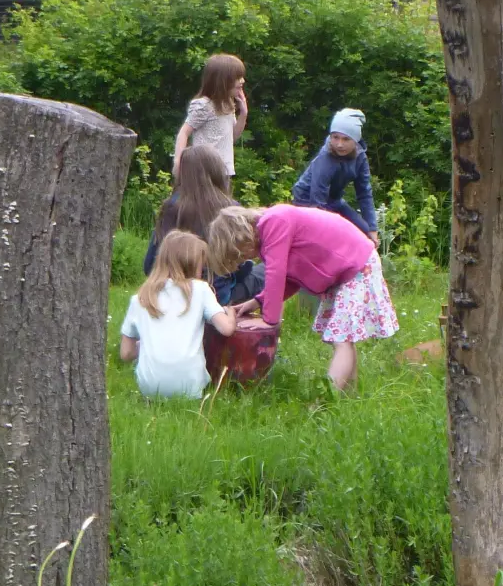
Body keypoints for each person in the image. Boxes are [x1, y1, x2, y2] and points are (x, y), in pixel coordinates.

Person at [209, 204, 398, 391]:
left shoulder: (274, 222)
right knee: (343, 338)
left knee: (341, 340)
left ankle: (326, 400)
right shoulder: (272, 228)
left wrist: (269, 320)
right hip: (347, 266)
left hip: (356, 263)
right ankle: (351, 395)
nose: (246, 258)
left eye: (241, 253)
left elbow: (276, 273)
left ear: (241, 237)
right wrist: (256, 302)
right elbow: (291, 278)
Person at [120, 230, 238, 399]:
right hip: (191, 388)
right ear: (191, 264)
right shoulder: (200, 290)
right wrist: (231, 314)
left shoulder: (139, 298)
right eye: (201, 266)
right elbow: (226, 328)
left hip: (149, 389)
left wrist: (147, 343)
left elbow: (126, 354)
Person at [143, 145, 264, 305]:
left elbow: (150, 265)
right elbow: (240, 263)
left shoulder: (171, 207)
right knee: (269, 269)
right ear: (217, 172)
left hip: (175, 297)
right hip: (221, 296)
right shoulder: (231, 209)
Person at [290, 107, 378, 244]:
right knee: (331, 239)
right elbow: (317, 200)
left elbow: (364, 193)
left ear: (355, 140)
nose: (339, 144)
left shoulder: (360, 157)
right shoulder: (326, 158)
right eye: (335, 137)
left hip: (334, 201)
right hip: (307, 202)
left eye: (346, 139)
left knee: (365, 234)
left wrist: (372, 228)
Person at [173, 53, 247, 177]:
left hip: (224, 171)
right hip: (204, 172)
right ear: (223, 81)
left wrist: (243, 113)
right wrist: (178, 162)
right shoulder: (203, 105)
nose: (242, 81)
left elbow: (232, 137)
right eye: (237, 77)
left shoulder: (227, 105)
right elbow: (184, 132)